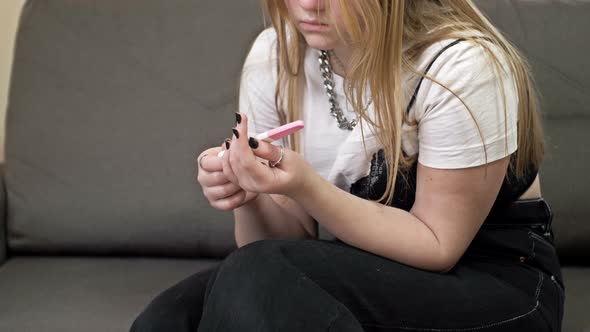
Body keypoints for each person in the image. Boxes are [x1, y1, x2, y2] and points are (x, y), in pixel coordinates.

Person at [130, 0, 565, 331]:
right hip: (367, 265)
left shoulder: (462, 65)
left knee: (256, 278)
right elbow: (279, 242)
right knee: (172, 316)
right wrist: (248, 192)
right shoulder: (276, 56)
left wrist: (306, 187)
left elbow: (438, 245)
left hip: (494, 280)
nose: (309, 5)